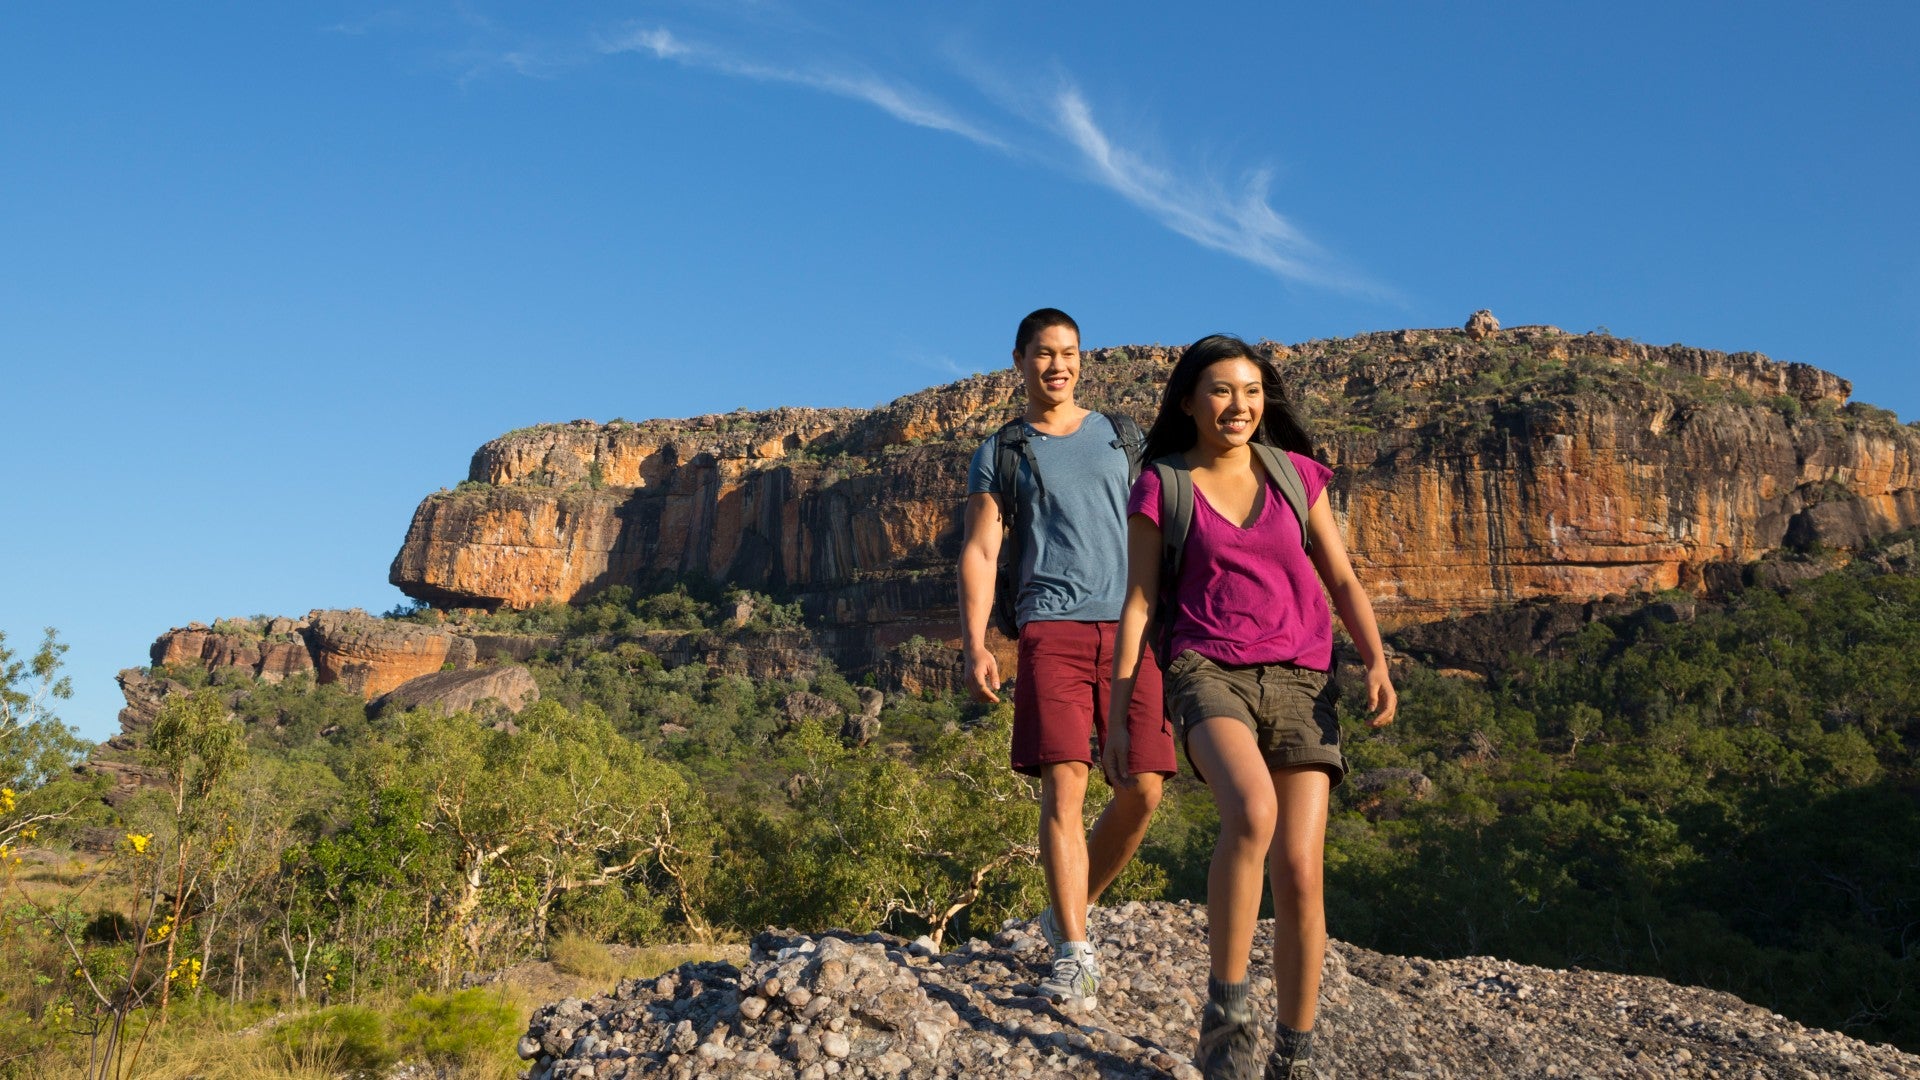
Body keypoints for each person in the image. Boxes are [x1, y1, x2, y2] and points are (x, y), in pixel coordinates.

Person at [1107, 334, 1397, 1080]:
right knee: (1253, 813)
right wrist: (1119, 708)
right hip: (1209, 673)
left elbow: (1340, 574)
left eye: (1250, 390)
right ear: (1188, 401)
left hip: (1303, 677)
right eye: (1220, 390)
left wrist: (1374, 658)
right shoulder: (1163, 485)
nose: (1238, 405)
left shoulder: (1297, 475)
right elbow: (1139, 599)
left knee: (1300, 869)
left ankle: (1292, 1056)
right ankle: (1226, 1016)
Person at [957, 307, 1177, 1012]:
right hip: (1049, 628)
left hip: (1131, 628)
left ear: (1084, 361)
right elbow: (983, 550)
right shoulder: (1004, 449)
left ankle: (1066, 910)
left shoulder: (1121, 436)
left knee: (1143, 787)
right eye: (1045, 353)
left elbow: (1166, 523)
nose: (1059, 365)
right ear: (1019, 360)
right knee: (1066, 785)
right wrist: (976, 641)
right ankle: (1076, 952)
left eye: (1070, 353)